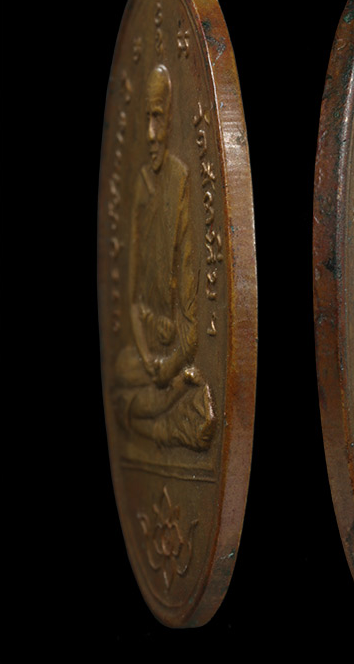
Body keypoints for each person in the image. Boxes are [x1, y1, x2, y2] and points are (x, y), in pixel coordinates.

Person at [115, 64, 216, 450]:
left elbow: (192, 328)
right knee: (120, 376)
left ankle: (167, 412)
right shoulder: (141, 188)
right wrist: (149, 360)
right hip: (145, 358)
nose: (151, 134)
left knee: (193, 396)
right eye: (146, 118)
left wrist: (170, 365)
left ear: (171, 118)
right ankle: (171, 421)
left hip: (174, 359)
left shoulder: (180, 182)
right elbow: (131, 300)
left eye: (158, 117)